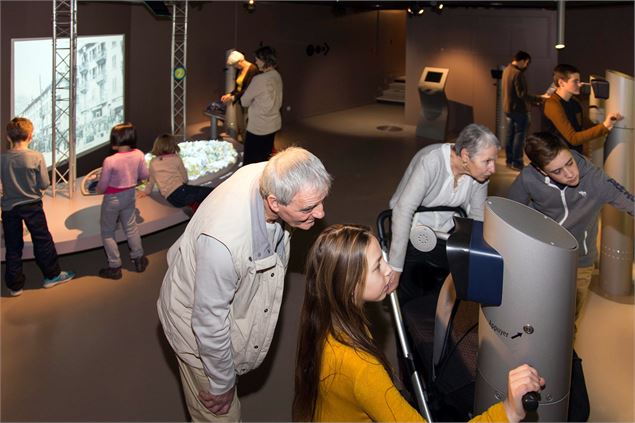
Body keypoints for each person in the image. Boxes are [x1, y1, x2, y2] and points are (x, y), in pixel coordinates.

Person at [293, 224, 545, 422]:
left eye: (383, 256)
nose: (389, 269)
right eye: (377, 266)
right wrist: (508, 411)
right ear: (349, 287)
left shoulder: (328, 321)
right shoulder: (361, 366)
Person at [157, 146, 331, 421]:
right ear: (274, 203)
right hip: (195, 328)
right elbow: (208, 322)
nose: (321, 213)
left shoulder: (270, 175)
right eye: (308, 207)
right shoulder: (223, 245)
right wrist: (221, 383)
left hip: (212, 291)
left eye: (321, 201)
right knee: (221, 416)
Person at [507, 132, 634, 334]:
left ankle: (563, 365)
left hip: (578, 263)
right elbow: (510, 213)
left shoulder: (594, 179)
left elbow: (629, 202)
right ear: (542, 171)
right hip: (540, 257)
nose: (570, 173)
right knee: (534, 316)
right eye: (557, 170)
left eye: (569, 162)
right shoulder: (529, 178)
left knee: (566, 327)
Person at [388, 123, 500, 306]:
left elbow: (478, 217)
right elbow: (403, 210)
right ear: (465, 156)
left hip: (445, 234)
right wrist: (395, 267)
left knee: (446, 294)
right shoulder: (432, 161)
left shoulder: (480, 175)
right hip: (411, 232)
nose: (492, 169)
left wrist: (475, 259)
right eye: (487, 161)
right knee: (411, 293)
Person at [1, 117, 75, 296]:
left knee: (12, 245)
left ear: (8, 137)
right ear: (30, 136)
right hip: (32, 205)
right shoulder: (35, 156)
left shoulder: (2, 159)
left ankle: (15, 286)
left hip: (9, 208)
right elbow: (43, 184)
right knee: (42, 240)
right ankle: (52, 276)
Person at [95, 122, 150, 280]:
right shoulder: (139, 154)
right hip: (130, 195)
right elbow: (145, 175)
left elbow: (103, 185)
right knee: (131, 227)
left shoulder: (110, 161)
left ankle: (115, 266)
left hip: (112, 198)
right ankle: (139, 259)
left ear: (114, 141)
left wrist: (97, 190)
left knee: (107, 232)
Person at [543, 64, 623, 154]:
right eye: (575, 81)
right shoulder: (552, 104)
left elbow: (582, 126)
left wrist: (608, 123)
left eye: (579, 81)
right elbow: (573, 138)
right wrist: (604, 126)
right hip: (556, 155)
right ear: (561, 83)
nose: (580, 84)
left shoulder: (575, 102)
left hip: (574, 154)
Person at [139, 134, 212, 211]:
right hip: (181, 191)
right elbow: (185, 179)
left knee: (195, 195)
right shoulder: (176, 158)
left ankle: (193, 204)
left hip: (171, 199)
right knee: (210, 192)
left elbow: (151, 181)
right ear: (173, 145)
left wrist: (145, 192)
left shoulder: (153, 162)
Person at [239, 46, 283, 165]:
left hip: (258, 127)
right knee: (265, 159)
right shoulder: (277, 75)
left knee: (250, 162)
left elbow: (244, 101)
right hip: (273, 124)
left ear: (265, 60)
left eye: (257, 59)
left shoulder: (259, 79)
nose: (256, 62)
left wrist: (253, 101)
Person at [502, 50, 539, 171]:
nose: (526, 66)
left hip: (508, 109)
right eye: (527, 63)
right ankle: (517, 163)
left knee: (510, 136)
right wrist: (539, 98)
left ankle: (509, 161)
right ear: (522, 61)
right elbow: (522, 94)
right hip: (518, 110)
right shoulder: (517, 73)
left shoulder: (507, 70)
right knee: (519, 136)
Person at [220, 50, 259, 141]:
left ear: (240, 61)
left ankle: (248, 145)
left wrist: (233, 97)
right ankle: (245, 144)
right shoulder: (240, 69)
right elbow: (238, 87)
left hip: (249, 102)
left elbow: (248, 89)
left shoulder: (253, 69)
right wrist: (230, 94)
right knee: (241, 125)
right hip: (239, 100)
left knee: (248, 126)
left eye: (235, 64)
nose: (234, 67)